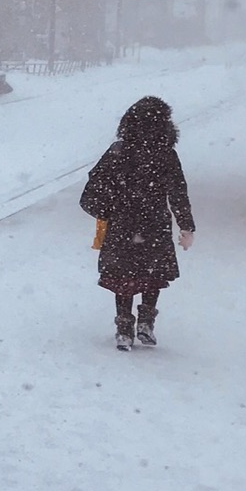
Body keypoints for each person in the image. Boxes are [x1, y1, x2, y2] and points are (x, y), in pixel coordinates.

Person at [80, 95, 195, 351]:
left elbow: (96, 181)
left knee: (123, 275)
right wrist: (186, 225)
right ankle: (145, 323)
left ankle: (124, 329)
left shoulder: (118, 151)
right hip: (155, 223)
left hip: (123, 223)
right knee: (151, 274)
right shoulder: (166, 154)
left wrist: (105, 208)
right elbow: (178, 191)